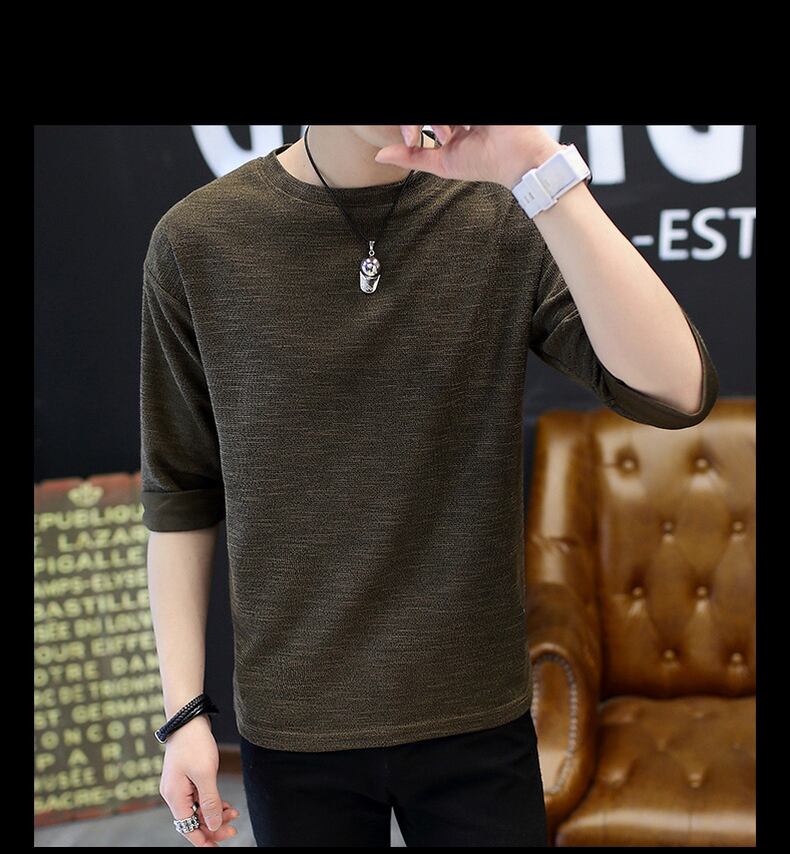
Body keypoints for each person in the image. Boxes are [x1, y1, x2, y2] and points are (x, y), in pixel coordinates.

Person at [143, 125, 719, 847]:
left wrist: (539, 169)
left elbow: (676, 391)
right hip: (297, 721)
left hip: (475, 711)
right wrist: (184, 715)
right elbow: (180, 493)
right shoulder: (199, 241)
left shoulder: (499, 215)